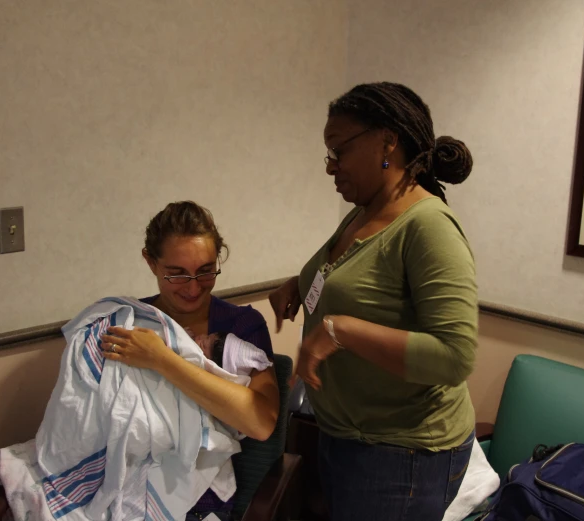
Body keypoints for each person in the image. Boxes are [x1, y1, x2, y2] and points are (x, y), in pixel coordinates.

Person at [269, 82, 478, 521]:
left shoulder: (428, 227)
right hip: (345, 435)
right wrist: (299, 283)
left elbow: (454, 357)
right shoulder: (364, 210)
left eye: (338, 150)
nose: (330, 167)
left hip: (401, 454)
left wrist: (341, 330)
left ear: (387, 140)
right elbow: (355, 277)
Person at [100, 201, 279, 521]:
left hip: (197, 501)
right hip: (120, 483)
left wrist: (162, 360)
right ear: (150, 262)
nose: (194, 288)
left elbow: (261, 423)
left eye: (206, 271)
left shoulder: (241, 327)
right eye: (177, 275)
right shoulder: (129, 321)